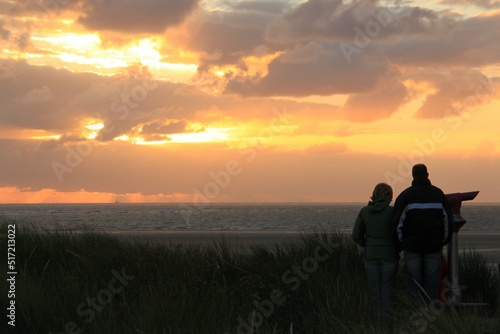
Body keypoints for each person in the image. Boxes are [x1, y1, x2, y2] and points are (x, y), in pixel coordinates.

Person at [392, 164, 452, 303]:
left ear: (413, 175)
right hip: (433, 246)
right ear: (428, 174)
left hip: (412, 247)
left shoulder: (406, 195)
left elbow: (397, 224)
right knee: (432, 284)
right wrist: (443, 241)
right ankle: (430, 316)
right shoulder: (438, 194)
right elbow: (447, 221)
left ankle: (414, 313)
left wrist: (402, 243)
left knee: (413, 284)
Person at [352, 182, 399, 330]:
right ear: (386, 195)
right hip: (389, 255)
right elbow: (400, 233)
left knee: (373, 290)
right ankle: (387, 325)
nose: (392, 198)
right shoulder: (392, 212)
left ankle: (374, 323)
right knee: (387, 291)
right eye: (391, 195)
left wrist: (368, 244)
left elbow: (356, 235)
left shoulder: (365, 211)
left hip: (371, 255)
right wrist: (396, 247)